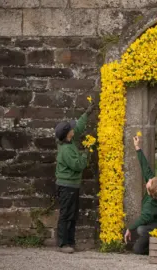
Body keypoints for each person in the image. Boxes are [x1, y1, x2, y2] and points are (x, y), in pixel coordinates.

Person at [54, 102, 95, 253]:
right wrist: (86, 152)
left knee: (72, 214)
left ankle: (70, 242)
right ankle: (63, 244)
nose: (73, 129)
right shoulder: (66, 150)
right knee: (66, 214)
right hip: (67, 186)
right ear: (67, 134)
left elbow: (78, 127)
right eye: (71, 129)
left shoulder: (69, 140)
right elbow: (78, 165)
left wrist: (87, 114)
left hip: (72, 185)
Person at [124, 136, 157, 255]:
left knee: (140, 230)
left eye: (150, 181)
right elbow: (146, 168)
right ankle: (151, 243)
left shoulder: (152, 205)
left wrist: (129, 228)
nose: (149, 179)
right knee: (139, 233)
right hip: (153, 225)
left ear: (150, 191)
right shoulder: (155, 188)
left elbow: (143, 219)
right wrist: (137, 147)